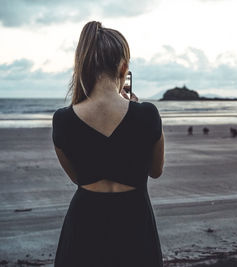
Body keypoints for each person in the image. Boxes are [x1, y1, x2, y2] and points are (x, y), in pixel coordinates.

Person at [51, 21, 164, 267]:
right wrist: (136, 110)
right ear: (123, 67)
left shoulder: (63, 120)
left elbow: (77, 177)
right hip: (135, 221)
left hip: (85, 223)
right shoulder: (147, 114)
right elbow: (156, 171)